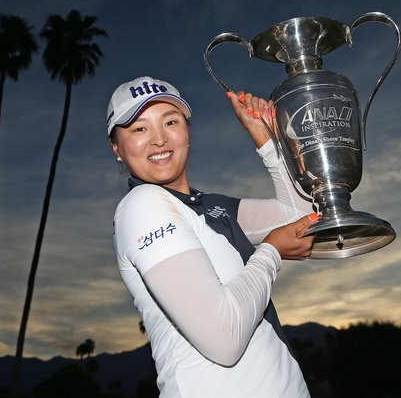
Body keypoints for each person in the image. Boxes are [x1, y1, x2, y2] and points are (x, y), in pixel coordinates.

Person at [108, 76, 317, 397]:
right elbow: (224, 340)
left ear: (187, 132)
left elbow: (302, 217)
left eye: (171, 121)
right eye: (139, 128)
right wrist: (271, 252)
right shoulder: (142, 206)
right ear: (116, 147)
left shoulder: (212, 205)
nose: (159, 139)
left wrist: (266, 139)